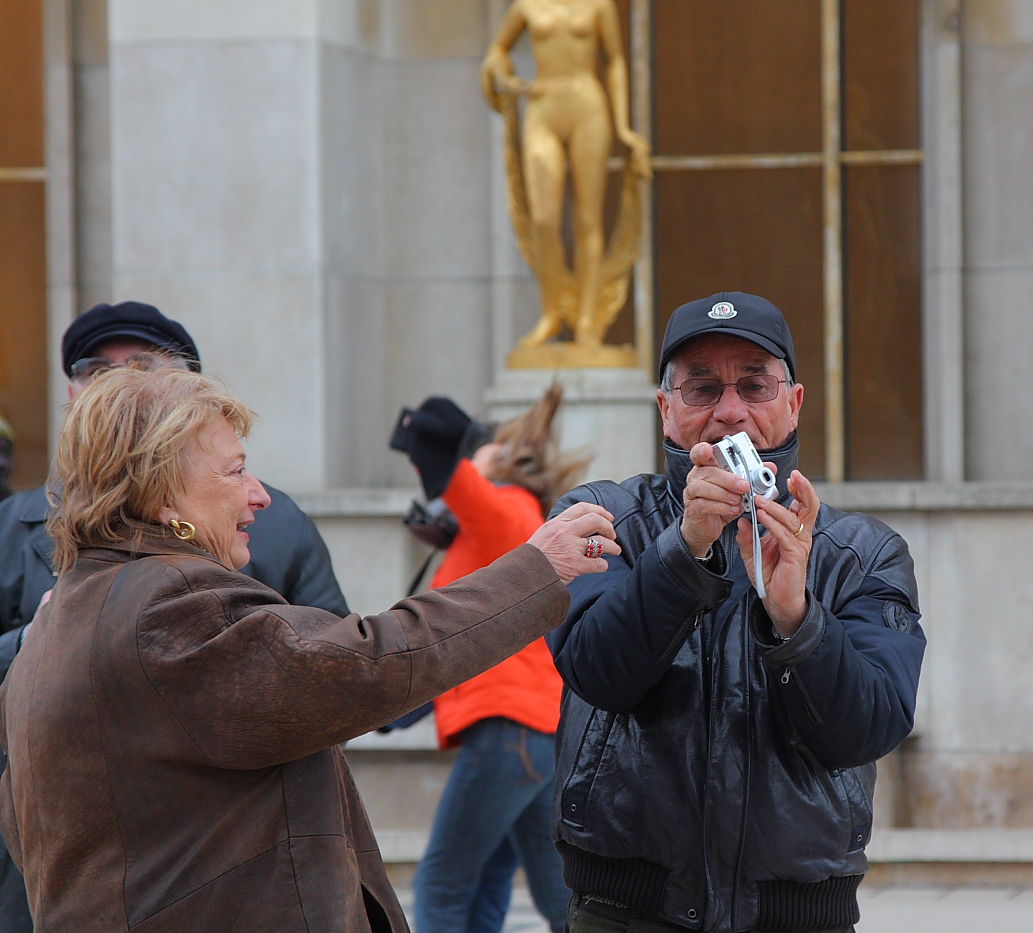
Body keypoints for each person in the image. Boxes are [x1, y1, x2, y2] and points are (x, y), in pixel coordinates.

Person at [0, 363, 619, 932]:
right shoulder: (169, 603)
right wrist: (539, 569)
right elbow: (360, 663)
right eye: (235, 469)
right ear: (163, 494)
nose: (261, 495)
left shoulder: (55, 627)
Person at [547, 292, 927, 933]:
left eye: (754, 386)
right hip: (624, 911)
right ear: (667, 411)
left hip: (797, 914)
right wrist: (684, 549)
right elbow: (598, 671)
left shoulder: (862, 553)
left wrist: (798, 621)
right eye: (702, 390)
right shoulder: (601, 517)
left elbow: (869, 728)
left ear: (794, 403)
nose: (730, 413)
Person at [0, 301, 355, 932]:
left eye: (142, 366)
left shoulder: (272, 520)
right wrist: (32, 640)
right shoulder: (12, 526)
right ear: (71, 390)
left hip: (218, 854)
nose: (117, 381)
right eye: (96, 368)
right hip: (52, 856)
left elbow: (340, 655)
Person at [399, 385, 586, 933]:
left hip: (508, 731)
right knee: (538, 893)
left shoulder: (504, 509)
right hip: (533, 735)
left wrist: (434, 432)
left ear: (499, 460)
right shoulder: (513, 520)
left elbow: (454, 474)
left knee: (442, 883)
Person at [481, 0, 651, 348]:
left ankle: (588, 321)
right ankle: (550, 315)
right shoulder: (527, 5)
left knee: (587, 219)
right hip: (543, 106)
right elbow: (497, 49)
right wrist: (502, 74)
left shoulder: (598, 5)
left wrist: (623, 126)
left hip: (587, 105)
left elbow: (615, 60)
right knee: (544, 220)